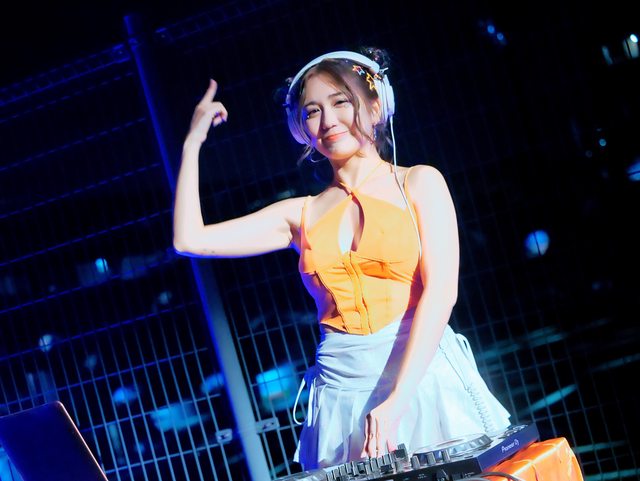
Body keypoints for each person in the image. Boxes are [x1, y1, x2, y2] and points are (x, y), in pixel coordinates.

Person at [172, 47, 512, 470]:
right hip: (341, 393)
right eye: (312, 111)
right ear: (301, 129)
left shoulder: (420, 182)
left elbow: (441, 292)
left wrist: (396, 400)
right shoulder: (300, 214)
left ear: (376, 106)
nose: (328, 120)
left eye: (340, 102)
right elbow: (189, 239)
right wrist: (192, 143)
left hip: (424, 379)